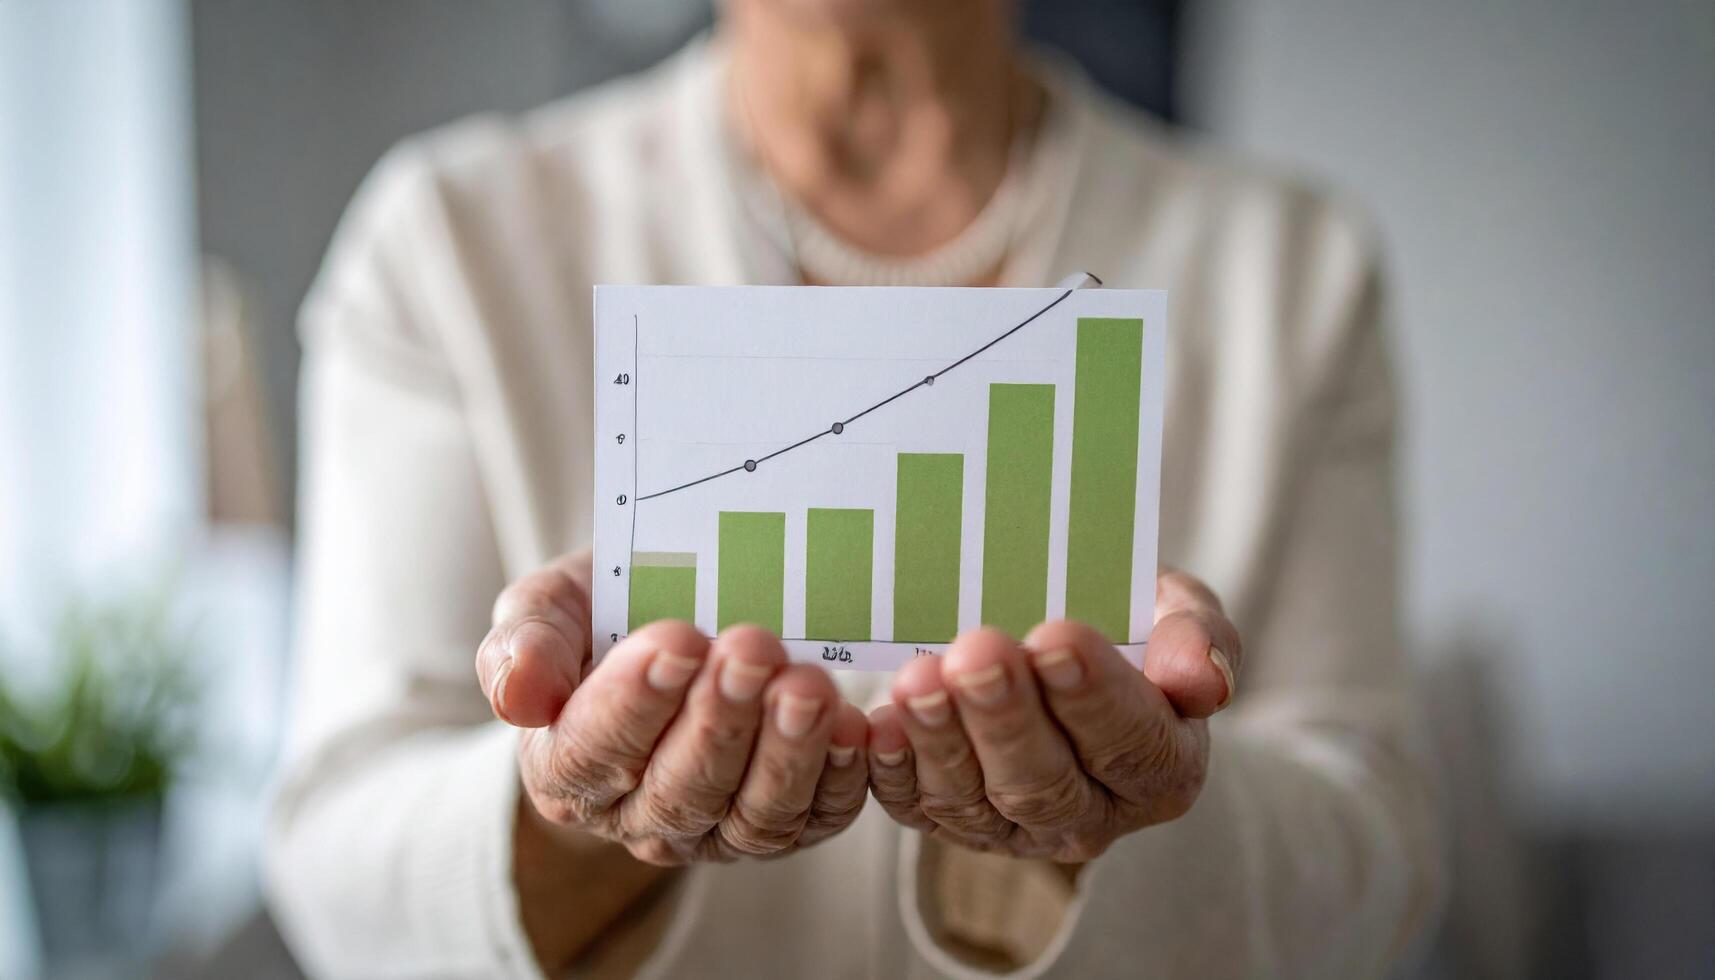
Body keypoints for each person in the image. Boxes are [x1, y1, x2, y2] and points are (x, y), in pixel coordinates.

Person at [264, 0, 1444, 976]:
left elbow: (1374, 871)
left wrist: (1093, 823)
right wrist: (572, 805)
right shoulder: (448, 245)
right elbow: (340, 874)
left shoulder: (1290, 269)